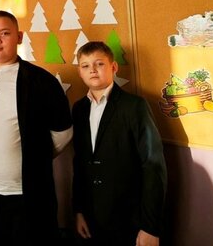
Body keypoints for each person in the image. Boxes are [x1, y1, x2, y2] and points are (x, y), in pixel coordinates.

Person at [0, 10, 73, 244]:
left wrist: (35, 156)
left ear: (19, 37)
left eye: (4, 33)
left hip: (28, 198)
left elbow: (63, 133)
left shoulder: (42, 81)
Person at [72, 41, 167, 246]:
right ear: (80, 72)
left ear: (113, 67)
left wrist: (150, 227)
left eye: (99, 64)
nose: (92, 70)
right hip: (91, 217)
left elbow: (153, 166)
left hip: (129, 218)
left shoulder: (134, 106)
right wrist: (78, 210)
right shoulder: (78, 109)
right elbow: (79, 163)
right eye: (85, 66)